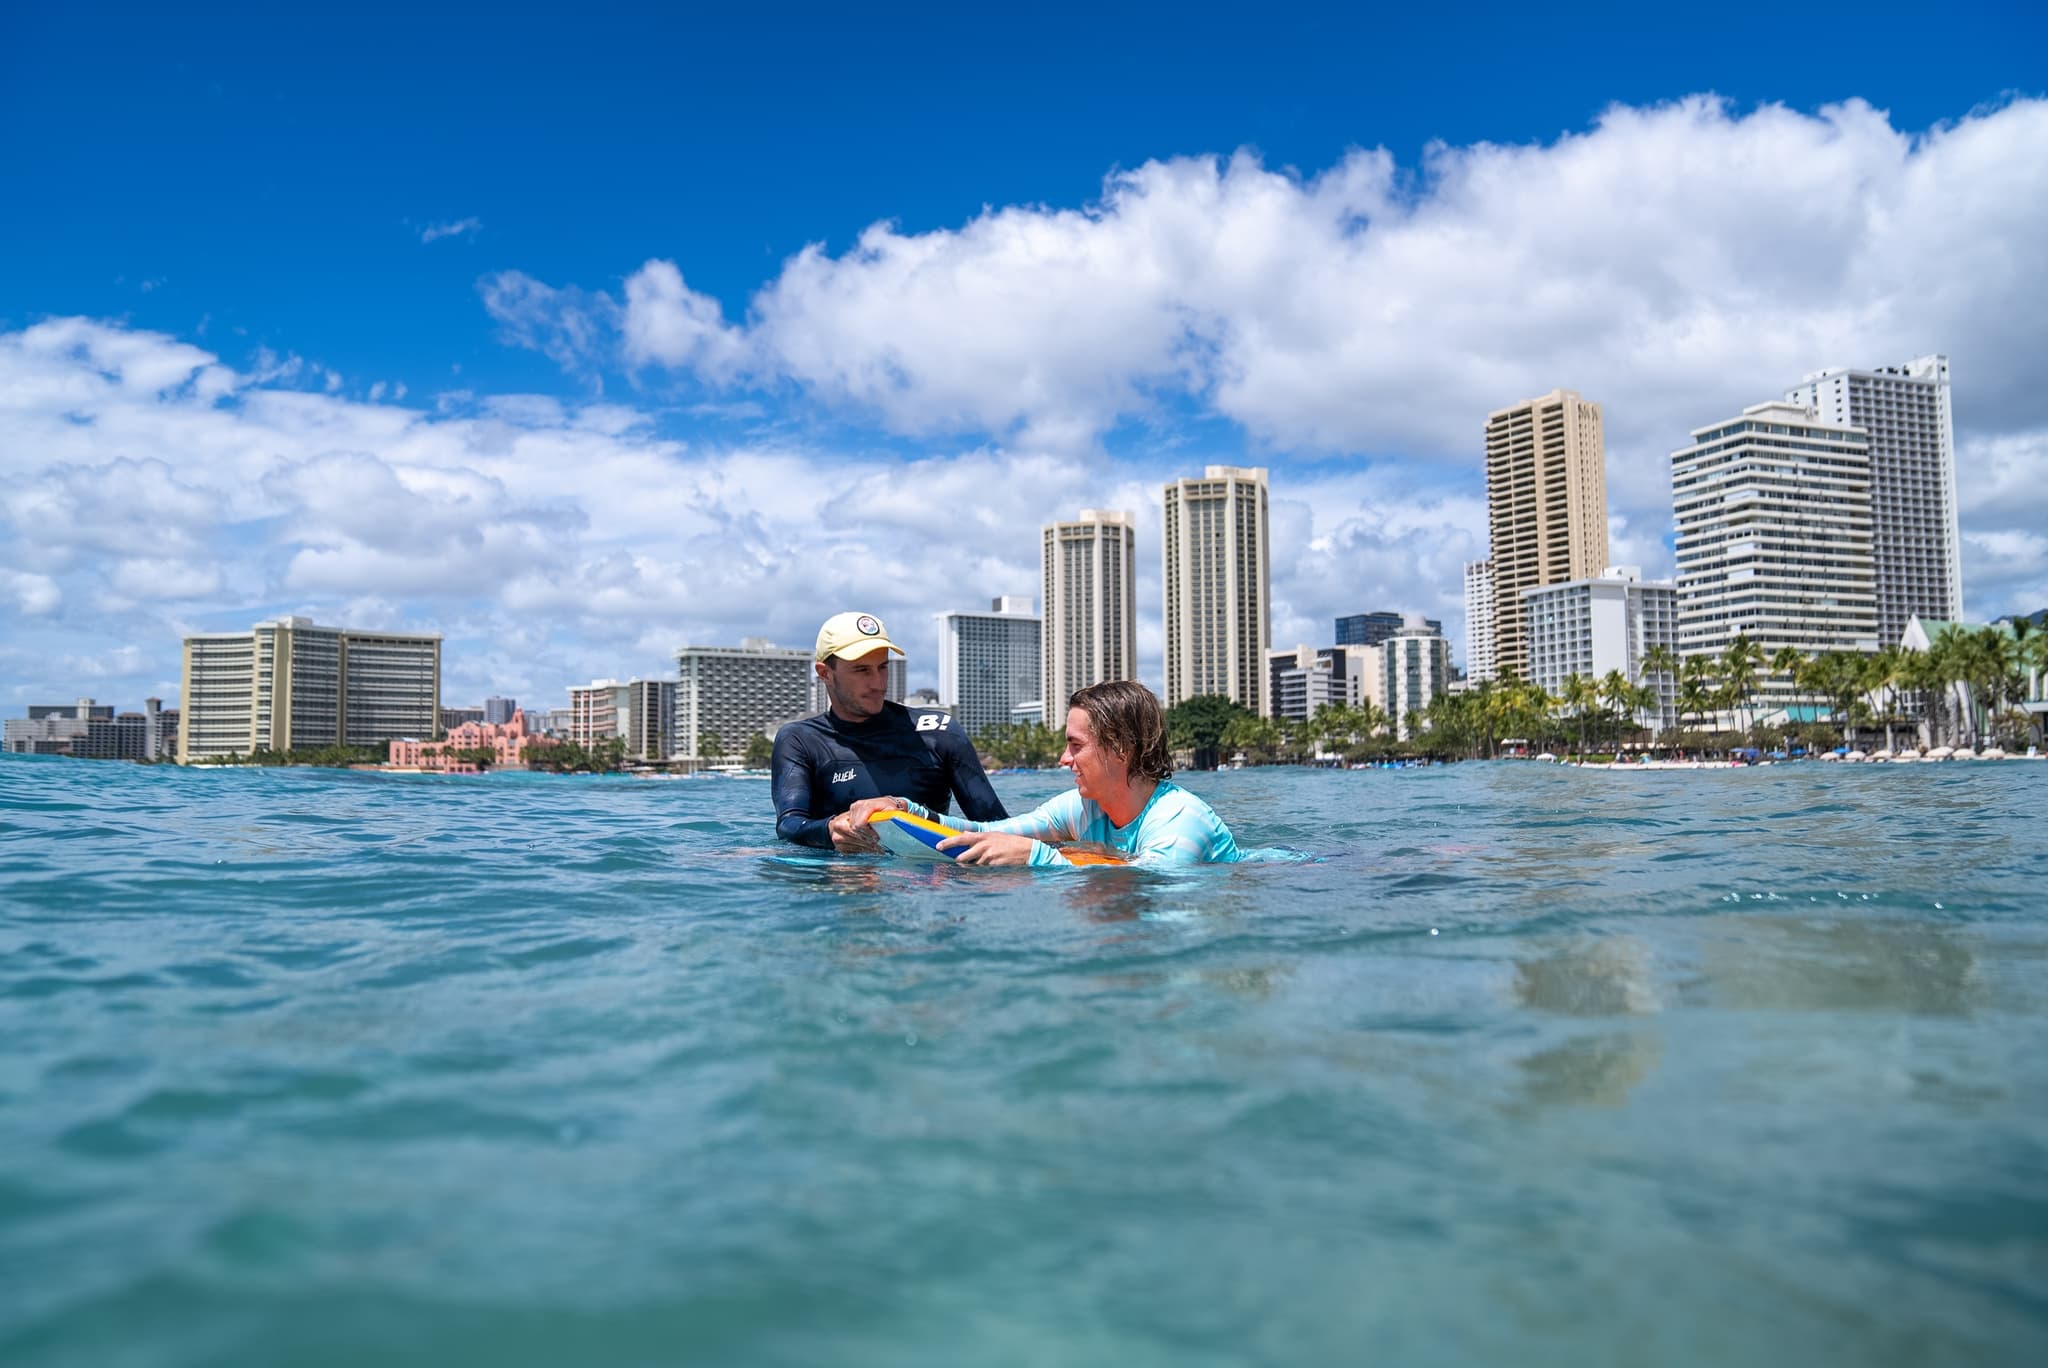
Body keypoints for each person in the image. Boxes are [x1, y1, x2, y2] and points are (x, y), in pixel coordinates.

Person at [853, 679, 1240, 867]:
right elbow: (991, 832)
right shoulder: (1084, 808)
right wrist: (907, 811)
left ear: (1122, 748)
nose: (1063, 759)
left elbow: (1151, 880)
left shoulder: (1179, 823)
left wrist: (1037, 856)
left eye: (1076, 745)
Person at [772, 610, 1008, 852]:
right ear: (825, 673)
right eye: (862, 670)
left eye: (883, 667)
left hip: (926, 883)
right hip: (839, 880)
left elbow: (1000, 829)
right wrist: (829, 830)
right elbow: (789, 826)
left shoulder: (937, 731)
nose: (878, 683)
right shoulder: (800, 739)